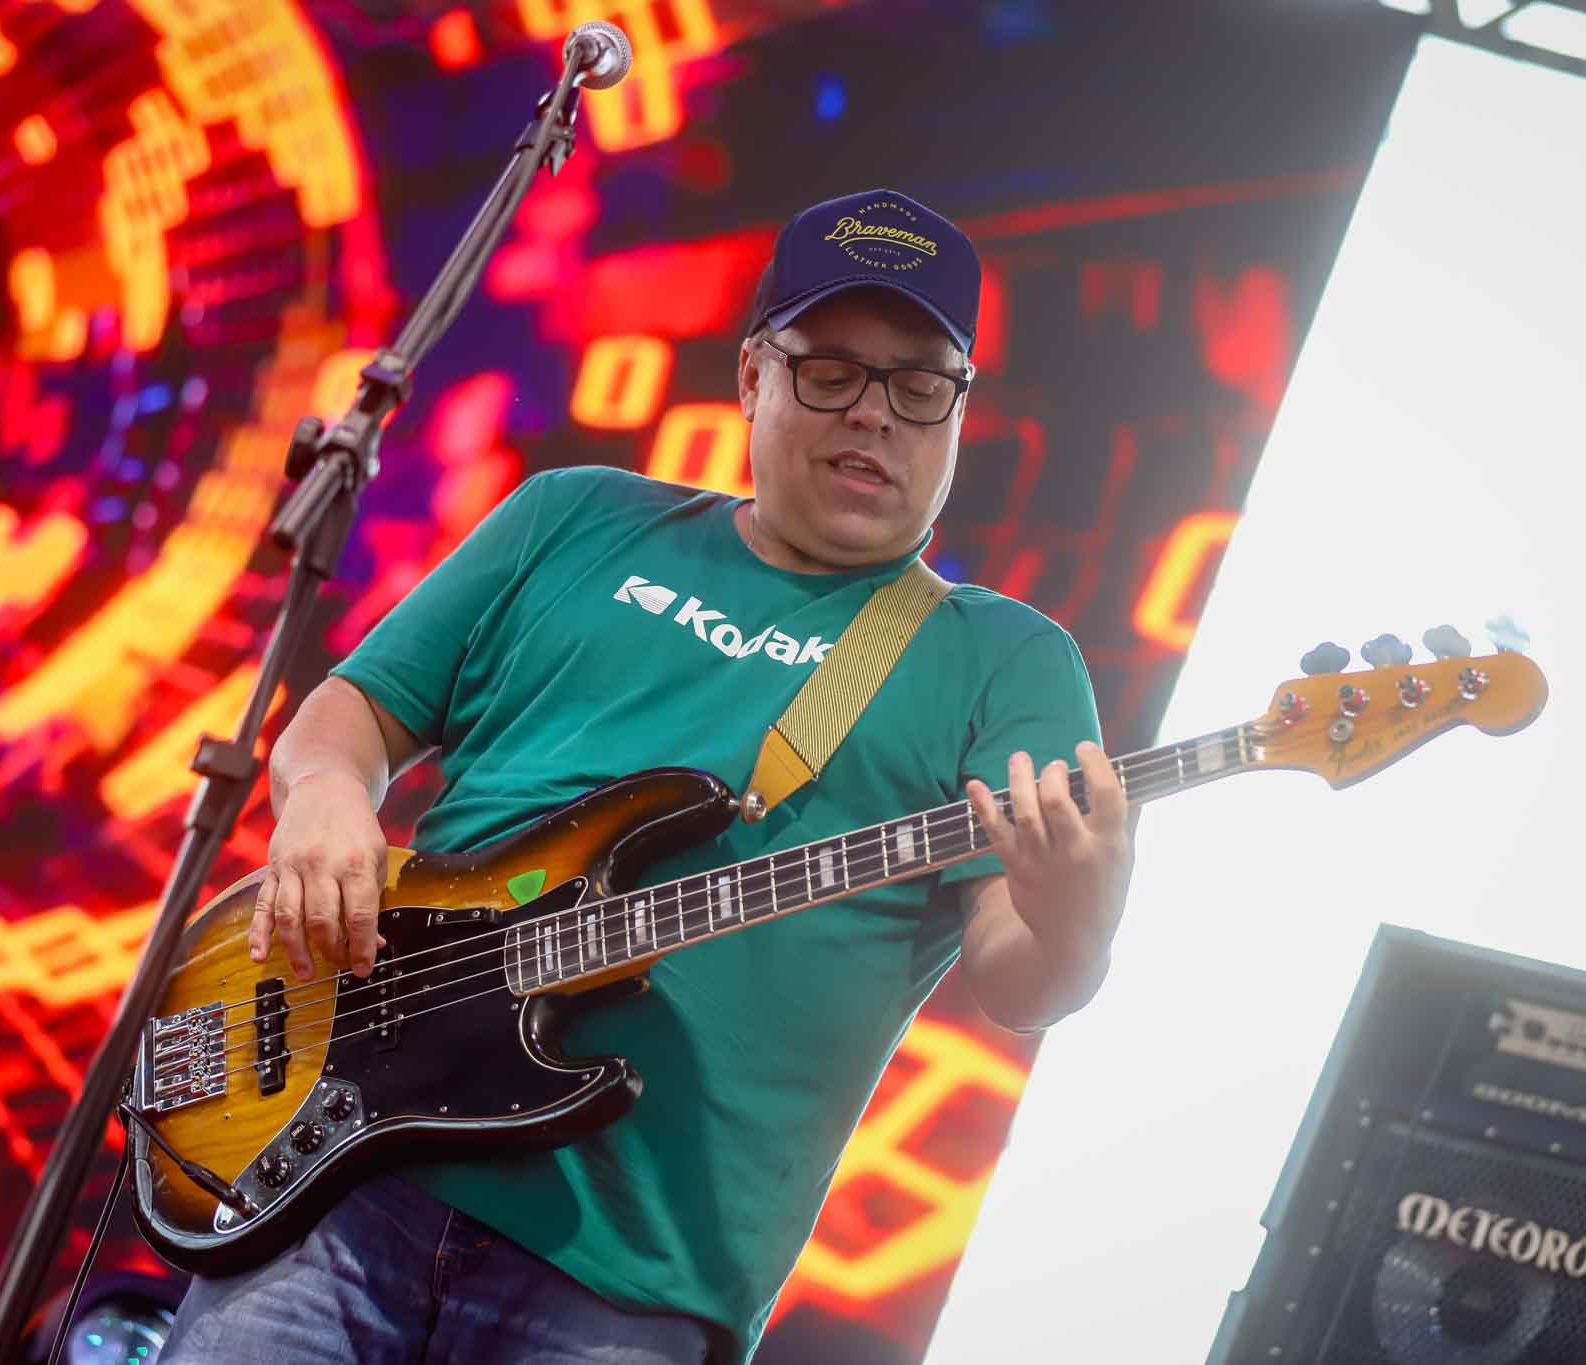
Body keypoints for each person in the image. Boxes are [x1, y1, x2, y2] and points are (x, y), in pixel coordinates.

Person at [160, 188, 1135, 1365]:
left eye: (918, 385)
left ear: (958, 410)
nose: (874, 413)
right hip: (338, 1179)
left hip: (632, 1286)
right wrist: (322, 797)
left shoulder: (1005, 659)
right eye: (831, 371)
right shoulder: (574, 517)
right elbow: (351, 713)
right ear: (752, 377)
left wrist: (1077, 920)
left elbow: (1020, 979)